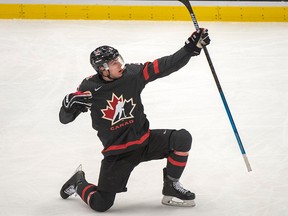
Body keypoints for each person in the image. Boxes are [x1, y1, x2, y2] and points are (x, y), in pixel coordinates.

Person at [59, 28, 210, 212]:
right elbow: (65, 119)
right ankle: (78, 182)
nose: (120, 65)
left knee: (182, 138)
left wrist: (190, 48)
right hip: (118, 155)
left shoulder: (132, 74)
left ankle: (171, 185)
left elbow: (164, 65)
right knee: (101, 204)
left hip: (145, 141)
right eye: (114, 63)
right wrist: (67, 107)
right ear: (102, 69)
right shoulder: (89, 88)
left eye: (119, 60)